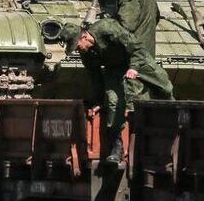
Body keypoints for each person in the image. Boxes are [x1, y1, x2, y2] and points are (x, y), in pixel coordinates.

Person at [59, 19, 173, 165]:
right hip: (115, 69)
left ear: (85, 37)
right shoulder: (86, 53)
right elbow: (95, 77)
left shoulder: (108, 28)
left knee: (164, 86)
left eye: (77, 45)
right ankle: (116, 147)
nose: (78, 49)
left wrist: (134, 67)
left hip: (137, 59)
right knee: (113, 101)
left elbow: (136, 47)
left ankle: (173, 117)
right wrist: (99, 101)